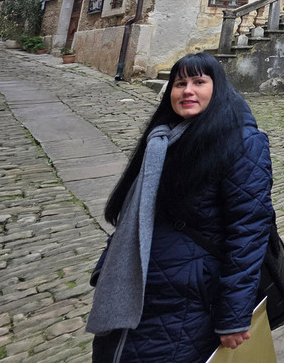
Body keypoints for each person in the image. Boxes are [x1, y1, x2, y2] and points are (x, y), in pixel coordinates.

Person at [87, 53, 274, 363]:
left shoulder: (242, 142)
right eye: (179, 83)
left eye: (199, 82)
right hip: (137, 285)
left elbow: (249, 232)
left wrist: (234, 314)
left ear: (219, 89)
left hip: (189, 296)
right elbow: (134, 216)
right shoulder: (160, 140)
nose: (187, 90)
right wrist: (107, 267)